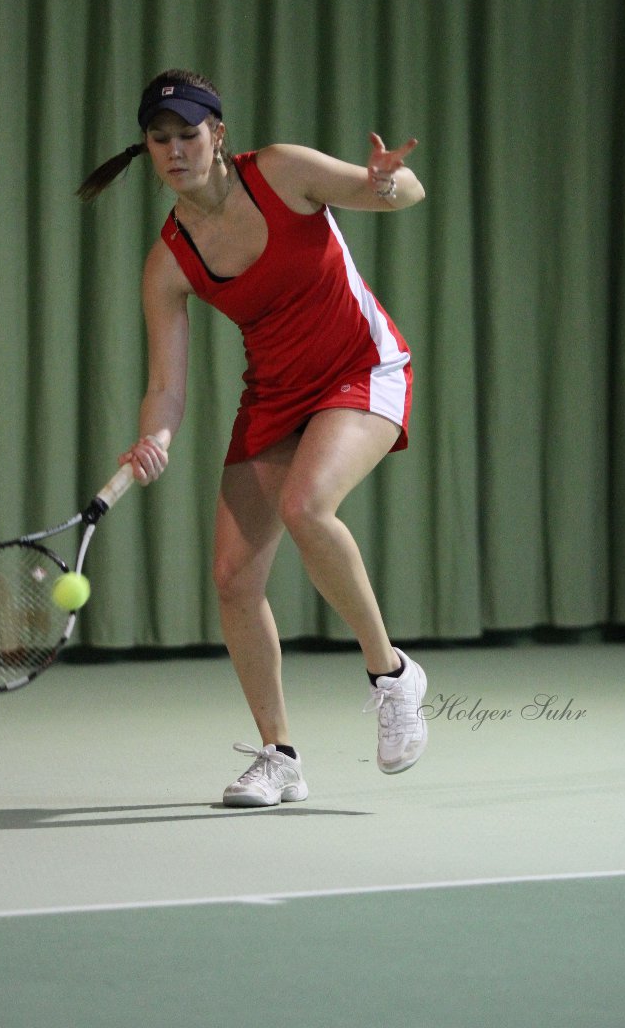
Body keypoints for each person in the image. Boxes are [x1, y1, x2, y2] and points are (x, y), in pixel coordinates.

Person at [78, 68, 429, 807]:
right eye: (160, 138)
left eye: (189, 134)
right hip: (274, 395)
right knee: (235, 579)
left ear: (218, 135)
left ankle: (392, 674)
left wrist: (387, 182)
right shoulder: (170, 259)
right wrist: (156, 439)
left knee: (307, 506)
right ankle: (280, 758)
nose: (176, 150)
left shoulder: (282, 171)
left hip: (361, 368)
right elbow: (166, 386)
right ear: (148, 148)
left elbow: (398, 193)